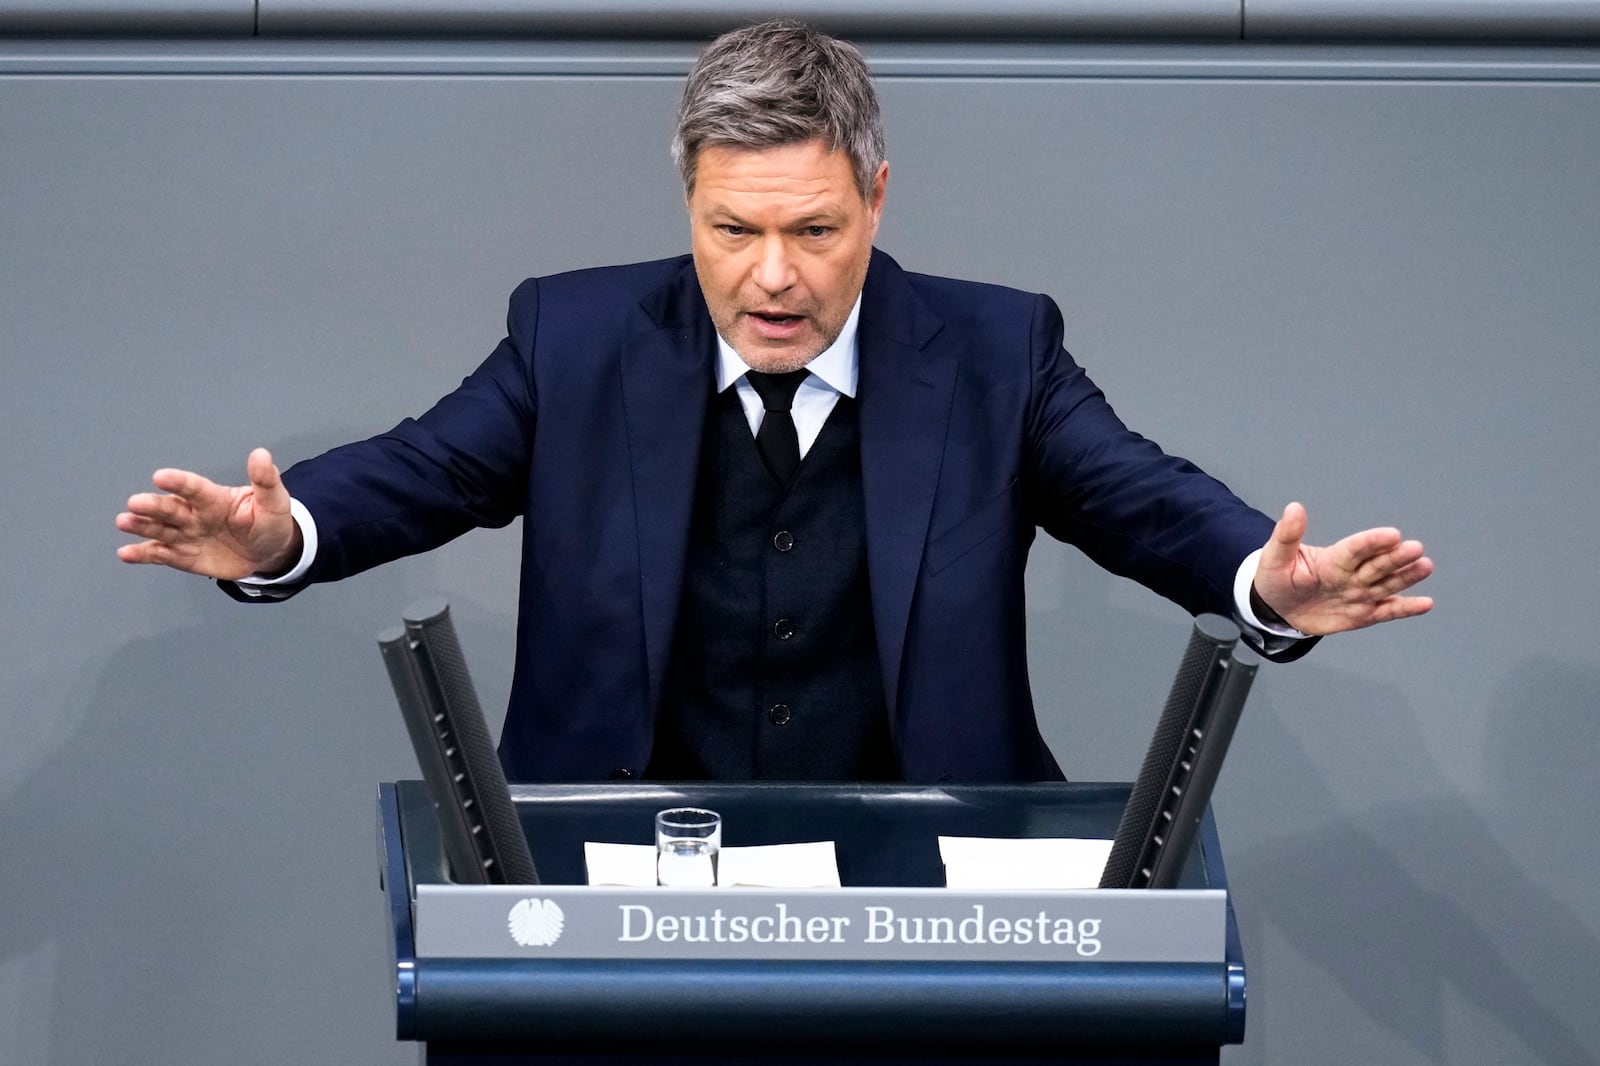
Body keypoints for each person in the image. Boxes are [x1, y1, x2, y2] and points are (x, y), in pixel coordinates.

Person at [115, 20, 1432, 784]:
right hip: (614, 880)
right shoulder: (574, 337)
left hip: (930, 893)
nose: (772, 275)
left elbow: (1137, 495)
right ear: (686, 200)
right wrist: (280, 541)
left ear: (877, 197)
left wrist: (1265, 584)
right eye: (732, 228)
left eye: (812, 227)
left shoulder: (992, 349)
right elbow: (423, 468)